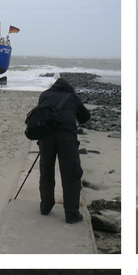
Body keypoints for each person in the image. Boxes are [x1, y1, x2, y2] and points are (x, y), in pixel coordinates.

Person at [32, 76, 92, 224]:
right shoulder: (73, 97)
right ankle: (71, 214)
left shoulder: (45, 95)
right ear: (68, 87)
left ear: (53, 85)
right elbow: (85, 117)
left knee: (46, 172)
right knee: (71, 174)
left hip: (46, 138)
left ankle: (45, 206)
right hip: (67, 139)